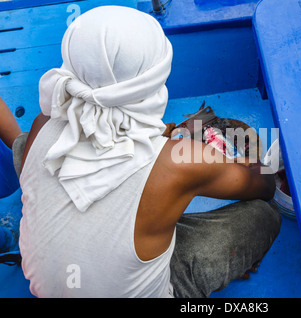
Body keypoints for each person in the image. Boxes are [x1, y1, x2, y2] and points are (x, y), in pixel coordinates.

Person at [15, 5, 281, 298]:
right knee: (263, 215)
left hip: (45, 286)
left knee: (24, 146)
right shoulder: (180, 162)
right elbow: (265, 185)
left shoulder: (43, 123)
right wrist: (243, 163)